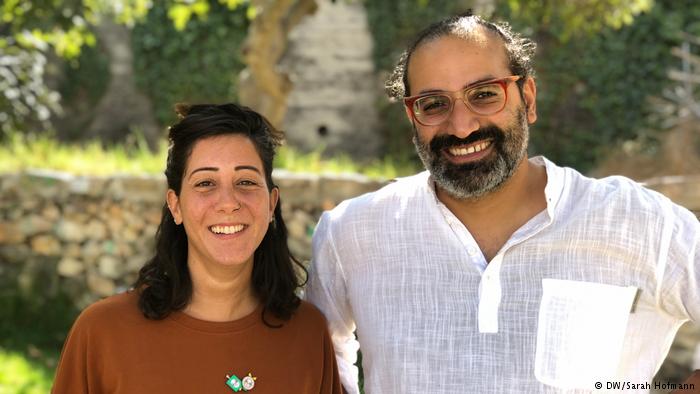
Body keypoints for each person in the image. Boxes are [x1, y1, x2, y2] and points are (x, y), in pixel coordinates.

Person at [305, 11, 700, 394]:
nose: (462, 126)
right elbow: (317, 362)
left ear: (527, 98)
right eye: (433, 103)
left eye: (484, 95)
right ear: (413, 116)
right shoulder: (351, 233)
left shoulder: (638, 223)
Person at [53, 103, 342, 393]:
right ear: (175, 205)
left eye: (246, 181)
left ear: (271, 203)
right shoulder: (103, 334)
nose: (228, 202)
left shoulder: (308, 335)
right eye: (205, 183)